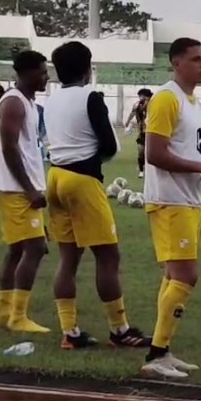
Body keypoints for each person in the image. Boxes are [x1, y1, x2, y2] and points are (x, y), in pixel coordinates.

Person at [44, 41, 151, 349]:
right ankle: (120, 329)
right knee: (107, 256)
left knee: (68, 257)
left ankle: (70, 331)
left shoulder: (51, 99)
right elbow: (109, 145)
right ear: (87, 68)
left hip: (54, 176)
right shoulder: (90, 96)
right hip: (82, 178)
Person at [141, 37, 201, 378]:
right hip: (169, 199)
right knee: (187, 275)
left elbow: (183, 150)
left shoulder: (193, 102)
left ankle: (162, 350)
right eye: (195, 59)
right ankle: (156, 352)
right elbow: (154, 153)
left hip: (187, 197)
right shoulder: (166, 99)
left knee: (174, 276)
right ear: (176, 63)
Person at [0, 51, 51, 333]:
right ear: (25, 73)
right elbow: (9, 147)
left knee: (17, 249)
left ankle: (3, 313)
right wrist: (30, 190)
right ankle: (18, 316)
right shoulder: (14, 102)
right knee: (35, 248)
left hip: (20, 188)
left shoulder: (27, 102)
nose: (46, 77)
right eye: (41, 72)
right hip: (17, 190)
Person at [124, 88, 152, 178]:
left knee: (151, 152)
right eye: (140, 96)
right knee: (140, 150)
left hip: (153, 131)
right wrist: (128, 121)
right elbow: (132, 113)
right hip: (142, 131)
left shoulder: (153, 104)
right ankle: (141, 170)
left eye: (143, 96)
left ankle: (150, 170)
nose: (141, 98)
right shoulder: (137, 105)